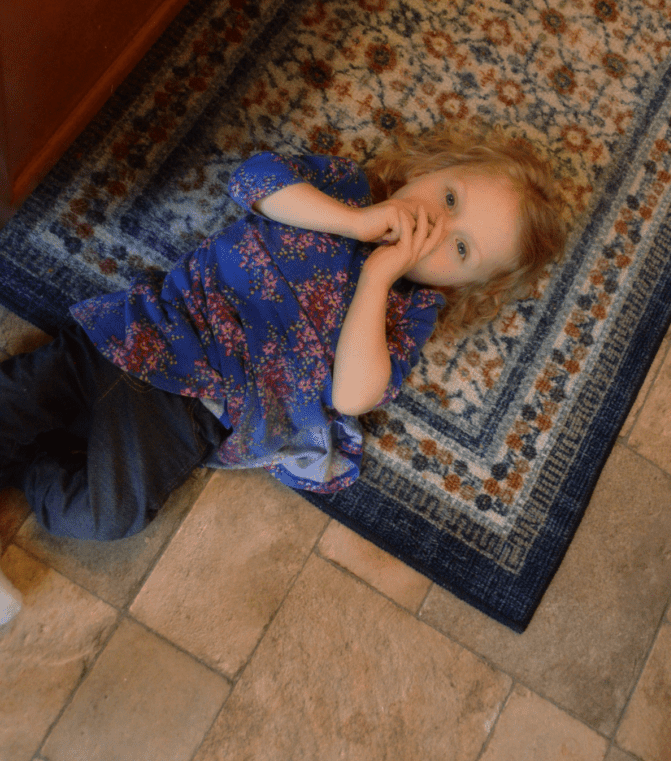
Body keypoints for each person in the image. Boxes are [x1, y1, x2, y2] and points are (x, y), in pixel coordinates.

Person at [0, 123, 567, 548]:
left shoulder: (406, 310)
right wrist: (356, 223)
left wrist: (377, 276)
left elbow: (352, 395)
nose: (435, 228)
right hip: (144, 331)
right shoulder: (343, 188)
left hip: (190, 410)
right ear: (434, 166)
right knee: (18, 400)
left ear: (462, 287)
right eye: (449, 199)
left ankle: (37, 463)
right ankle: (34, 432)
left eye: (461, 249)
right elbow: (253, 179)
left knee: (110, 514)